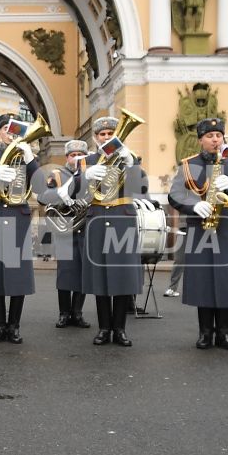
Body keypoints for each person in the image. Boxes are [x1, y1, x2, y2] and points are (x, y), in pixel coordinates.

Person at [167, 118, 228, 350]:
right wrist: (192, 206)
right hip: (199, 226)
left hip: (227, 227)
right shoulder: (188, 164)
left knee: (226, 281)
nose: (215, 139)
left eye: (218, 135)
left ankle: (223, 333)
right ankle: (205, 333)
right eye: (210, 136)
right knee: (203, 281)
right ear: (200, 140)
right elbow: (174, 195)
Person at [0, 113, 41, 343]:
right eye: (6, 129)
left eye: (15, 129)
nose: (10, 133)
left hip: (18, 218)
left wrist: (31, 159)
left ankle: (14, 326)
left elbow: (42, 189)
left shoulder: (28, 157)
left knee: (17, 276)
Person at [81, 115, 143, 346]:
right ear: (96, 138)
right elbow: (76, 195)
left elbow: (140, 187)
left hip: (122, 220)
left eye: (110, 134)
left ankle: (120, 329)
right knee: (100, 276)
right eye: (102, 135)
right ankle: (104, 328)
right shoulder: (87, 161)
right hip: (97, 218)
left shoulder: (130, 157)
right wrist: (84, 176)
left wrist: (132, 164)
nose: (106, 138)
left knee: (122, 276)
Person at [50, 138, 91, 328]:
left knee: (83, 272)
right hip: (65, 228)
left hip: (86, 228)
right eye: (73, 155)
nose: (76, 158)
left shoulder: (91, 173)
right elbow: (45, 197)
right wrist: (61, 196)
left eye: (80, 155)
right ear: (67, 157)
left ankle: (77, 312)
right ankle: (64, 313)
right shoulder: (57, 174)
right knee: (65, 273)